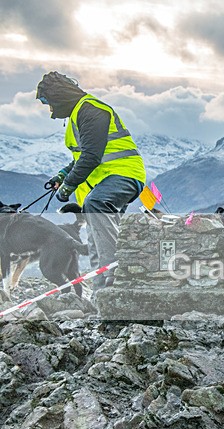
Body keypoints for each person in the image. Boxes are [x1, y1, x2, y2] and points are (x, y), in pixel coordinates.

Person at [36, 71, 145, 289]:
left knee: (95, 204)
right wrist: (63, 175)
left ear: (59, 97)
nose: (51, 111)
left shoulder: (92, 110)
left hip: (124, 174)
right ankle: (100, 294)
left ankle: (115, 272)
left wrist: (68, 186)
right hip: (104, 181)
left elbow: (92, 156)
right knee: (96, 238)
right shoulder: (78, 114)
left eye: (50, 103)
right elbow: (80, 157)